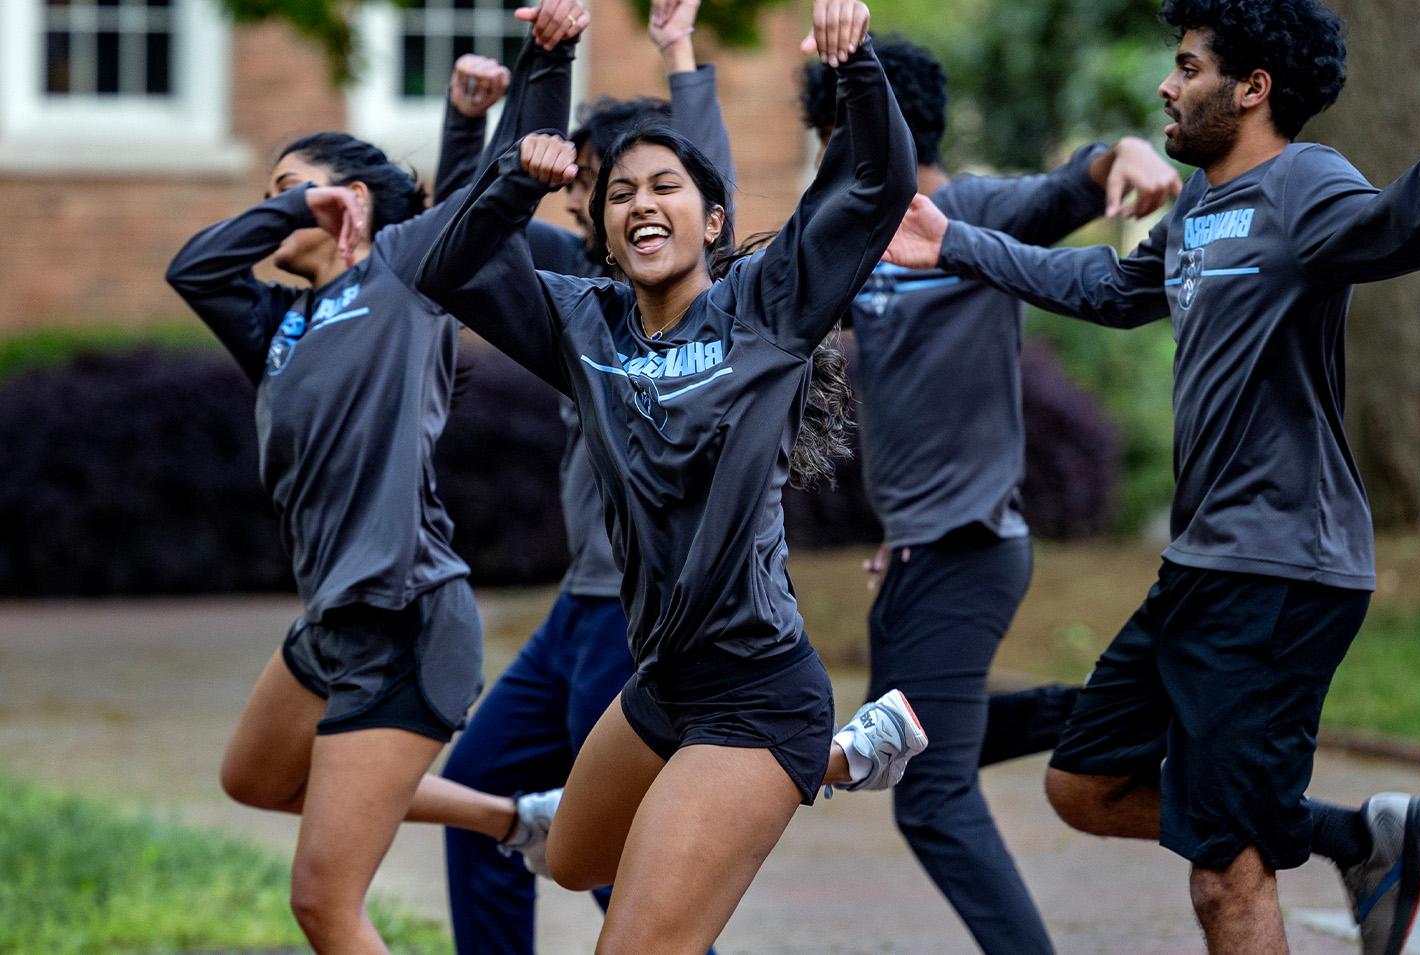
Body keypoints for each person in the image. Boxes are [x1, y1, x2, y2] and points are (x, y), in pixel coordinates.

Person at [883, 1, 1420, 953]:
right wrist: (957, 243)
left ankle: (1326, 833)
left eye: (1189, 66)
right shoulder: (1202, 205)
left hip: (1284, 567)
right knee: (1083, 783)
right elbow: (1115, 292)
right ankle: (1358, 836)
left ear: (1252, 89)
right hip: (1206, 563)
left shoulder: (1304, 183)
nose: (1168, 84)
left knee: (1224, 876)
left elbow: (1397, 232)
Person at [415, 3, 923, 950]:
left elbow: (877, 181)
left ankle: (810, 749)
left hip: (756, 685)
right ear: (602, 234)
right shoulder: (581, 324)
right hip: (660, 681)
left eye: (666, 186)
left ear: (712, 215)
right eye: (618, 194)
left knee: (636, 942)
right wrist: (530, 114)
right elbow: (448, 263)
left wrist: (859, 67)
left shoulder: (766, 306)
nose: (641, 202)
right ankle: (846, 758)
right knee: (569, 859)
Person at [163, 6, 596, 951]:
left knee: (323, 902)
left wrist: (547, 56)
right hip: (331, 617)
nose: (268, 209)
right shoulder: (276, 321)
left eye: (291, 186)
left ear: (353, 195)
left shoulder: (405, 275)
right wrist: (294, 206)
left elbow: (500, 191)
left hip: (404, 612)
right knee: (256, 778)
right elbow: (193, 266)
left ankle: (517, 817)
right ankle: (513, 817)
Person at [799, 38, 1182, 954]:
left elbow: (1072, 186)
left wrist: (1126, 152)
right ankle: (1137, 712)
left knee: (929, 800)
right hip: (915, 547)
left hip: (967, 545)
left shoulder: (965, 209)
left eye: (830, 134)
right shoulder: (858, 243)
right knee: (928, 747)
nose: (824, 158)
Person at [433, 1, 739, 951]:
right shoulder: (576, 291)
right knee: (481, 796)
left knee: (622, 864)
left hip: (640, 616)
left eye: (644, 189)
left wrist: (680, 54)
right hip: (580, 604)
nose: (620, 209)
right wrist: (476, 127)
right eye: (602, 197)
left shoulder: (702, 303)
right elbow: (460, 243)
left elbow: (707, 170)